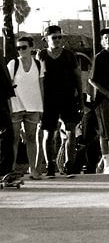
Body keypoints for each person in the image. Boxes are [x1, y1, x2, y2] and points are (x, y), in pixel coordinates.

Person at [38, 25, 83, 177]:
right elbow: (37, 80)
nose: (57, 40)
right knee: (49, 134)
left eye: (59, 37)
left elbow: (78, 77)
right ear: (46, 39)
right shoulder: (41, 55)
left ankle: (68, 165)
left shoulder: (69, 55)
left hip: (68, 98)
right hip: (48, 100)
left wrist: (81, 101)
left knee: (71, 132)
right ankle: (50, 166)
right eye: (54, 37)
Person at [7, 36, 44, 179]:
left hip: (34, 106)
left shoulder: (39, 64)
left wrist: (42, 107)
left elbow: (41, 86)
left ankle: (33, 170)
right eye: (18, 48)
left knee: (31, 138)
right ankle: (11, 170)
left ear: (30, 48)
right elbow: (8, 86)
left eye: (24, 47)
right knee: (14, 138)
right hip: (16, 106)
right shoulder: (13, 64)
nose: (21, 50)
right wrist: (9, 107)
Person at [88, 27, 109, 174]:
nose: (108, 40)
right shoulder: (99, 57)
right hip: (103, 100)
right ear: (102, 41)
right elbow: (92, 80)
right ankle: (107, 163)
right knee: (105, 133)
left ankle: (108, 162)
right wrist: (108, 94)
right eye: (105, 38)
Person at [0, 61, 18, 176]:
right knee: (6, 135)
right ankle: (4, 168)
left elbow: (5, 85)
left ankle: (5, 169)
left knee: (7, 135)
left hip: (2, 104)